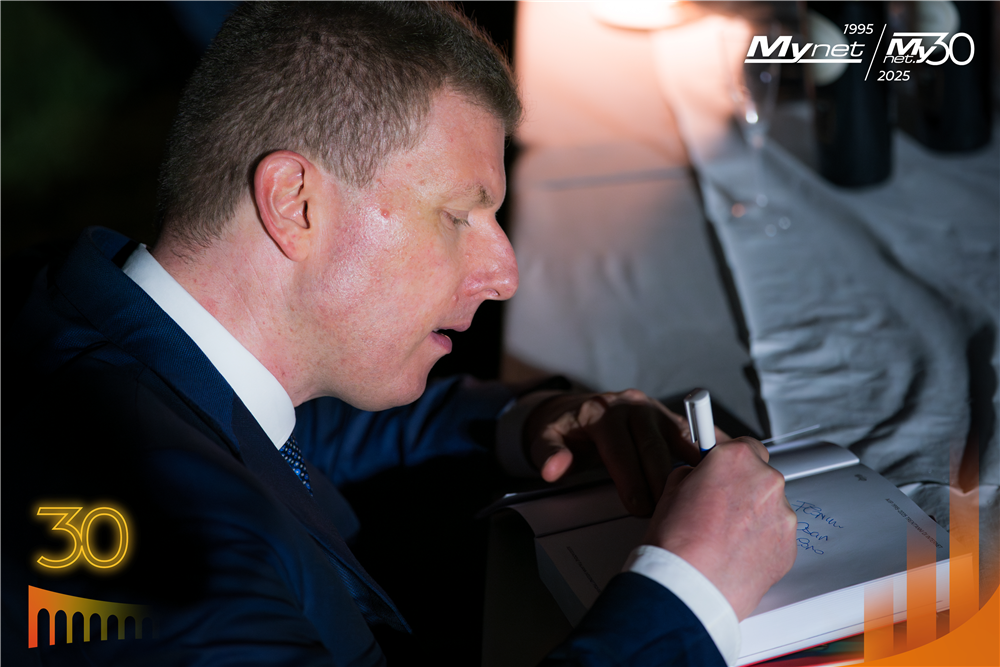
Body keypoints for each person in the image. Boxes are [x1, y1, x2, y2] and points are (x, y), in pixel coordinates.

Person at [1, 1, 796, 665]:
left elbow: (289, 436)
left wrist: (525, 425)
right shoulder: (161, 549)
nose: (505, 274)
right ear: (295, 204)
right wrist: (687, 593)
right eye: (458, 214)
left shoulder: (82, 308)